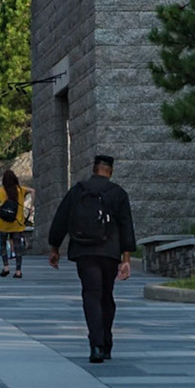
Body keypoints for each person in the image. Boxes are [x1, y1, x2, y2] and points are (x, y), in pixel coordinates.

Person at [46, 154, 137, 364]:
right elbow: (126, 226)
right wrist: (126, 259)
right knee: (106, 296)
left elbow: (61, 219)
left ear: (94, 169)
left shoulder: (78, 190)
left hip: (84, 251)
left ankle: (95, 345)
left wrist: (54, 248)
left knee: (91, 295)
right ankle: (106, 342)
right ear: (110, 171)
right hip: (109, 252)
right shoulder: (118, 193)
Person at [0, 169, 33, 278]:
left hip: (4, 223)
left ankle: (6, 267)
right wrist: (31, 207)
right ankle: (18, 271)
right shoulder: (20, 190)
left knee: (3, 245)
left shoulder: (0, 191)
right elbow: (33, 191)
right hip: (17, 223)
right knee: (18, 246)